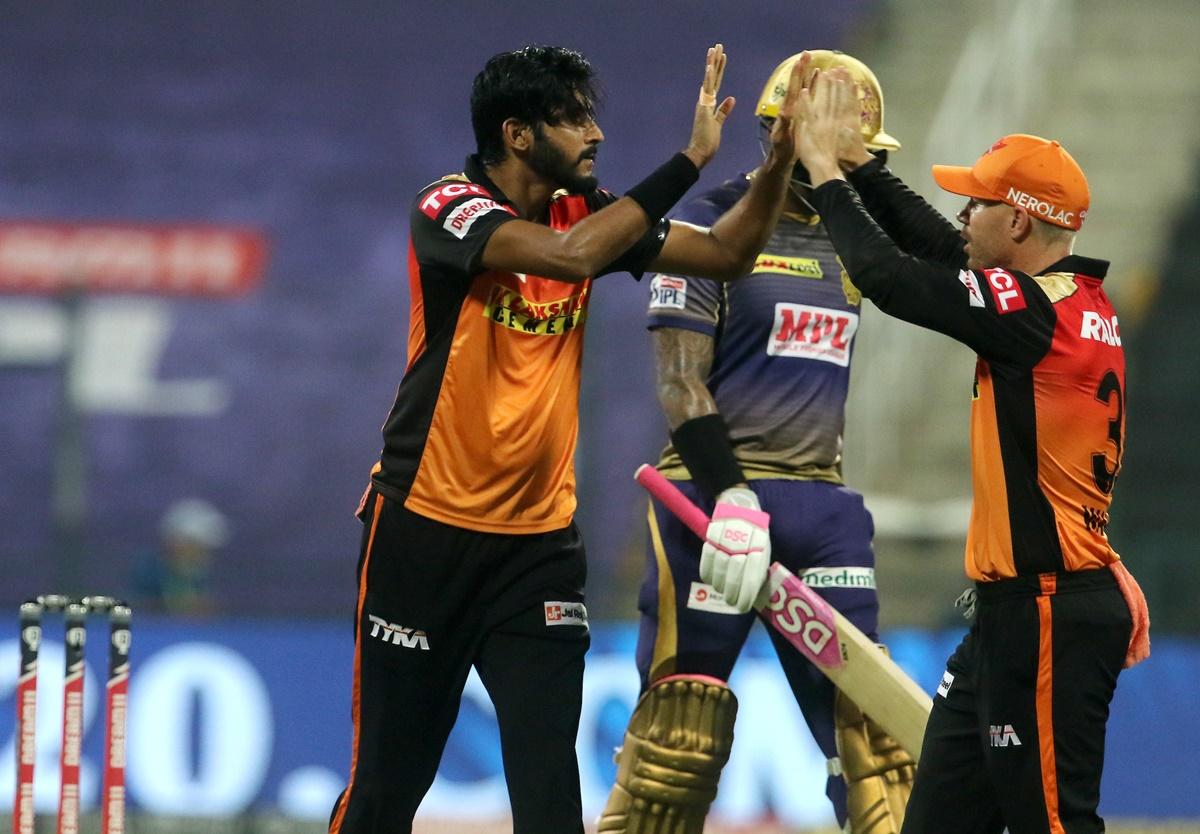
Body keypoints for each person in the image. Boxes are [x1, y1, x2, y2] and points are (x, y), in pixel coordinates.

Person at [328, 43, 808, 834]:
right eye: (574, 119)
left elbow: (727, 254)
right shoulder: (449, 206)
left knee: (551, 800)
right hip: (425, 535)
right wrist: (691, 160)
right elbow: (570, 259)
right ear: (517, 135)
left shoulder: (586, 211)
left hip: (537, 550)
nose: (596, 134)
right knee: (387, 789)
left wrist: (777, 168)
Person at [793, 61, 1151, 834]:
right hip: (1016, 613)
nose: (961, 213)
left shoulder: (1028, 315)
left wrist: (823, 172)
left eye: (977, 202)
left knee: (1053, 825)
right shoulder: (1068, 303)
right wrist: (864, 167)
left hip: (1052, 608)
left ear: (1019, 222)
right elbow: (938, 251)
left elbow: (890, 276)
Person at [598, 51, 915, 834]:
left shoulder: (855, 238)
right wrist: (731, 494)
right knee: (677, 745)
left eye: (862, 143)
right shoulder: (708, 223)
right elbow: (678, 381)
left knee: (876, 751)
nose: (853, 154)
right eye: (839, 135)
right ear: (786, 130)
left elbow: (954, 269)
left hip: (825, 506)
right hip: (712, 511)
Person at [131, 498, 228, 616]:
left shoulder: (197, 577)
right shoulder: (148, 572)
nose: (204, 555)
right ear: (178, 542)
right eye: (198, 546)